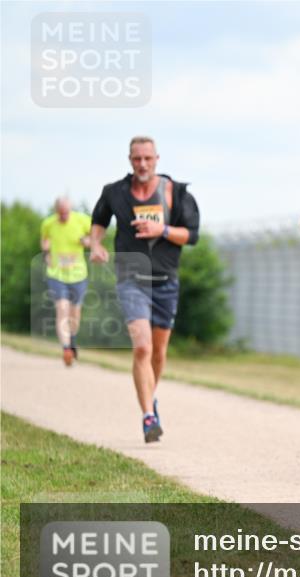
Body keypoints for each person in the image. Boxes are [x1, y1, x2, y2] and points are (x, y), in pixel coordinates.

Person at [89, 136, 201, 443]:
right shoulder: (114, 193)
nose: (142, 164)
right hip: (130, 278)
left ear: (157, 159)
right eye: (137, 159)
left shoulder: (175, 193)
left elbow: (191, 235)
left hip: (166, 280)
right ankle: (148, 416)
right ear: (129, 160)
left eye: (148, 159)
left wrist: (161, 229)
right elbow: (98, 222)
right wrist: (96, 245)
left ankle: (151, 397)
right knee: (142, 347)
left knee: (159, 353)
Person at [40, 197, 92, 366]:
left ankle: (72, 340)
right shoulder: (48, 223)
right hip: (57, 274)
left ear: (71, 209)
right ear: (56, 211)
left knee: (74, 313)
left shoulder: (82, 220)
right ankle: (66, 348)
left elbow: (96, 237)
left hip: (78, 274)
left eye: (66, 212)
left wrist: (87, 241)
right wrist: (46, 251)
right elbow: (44, 240)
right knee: (62, 308)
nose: (64, 216)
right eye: (61, 213)